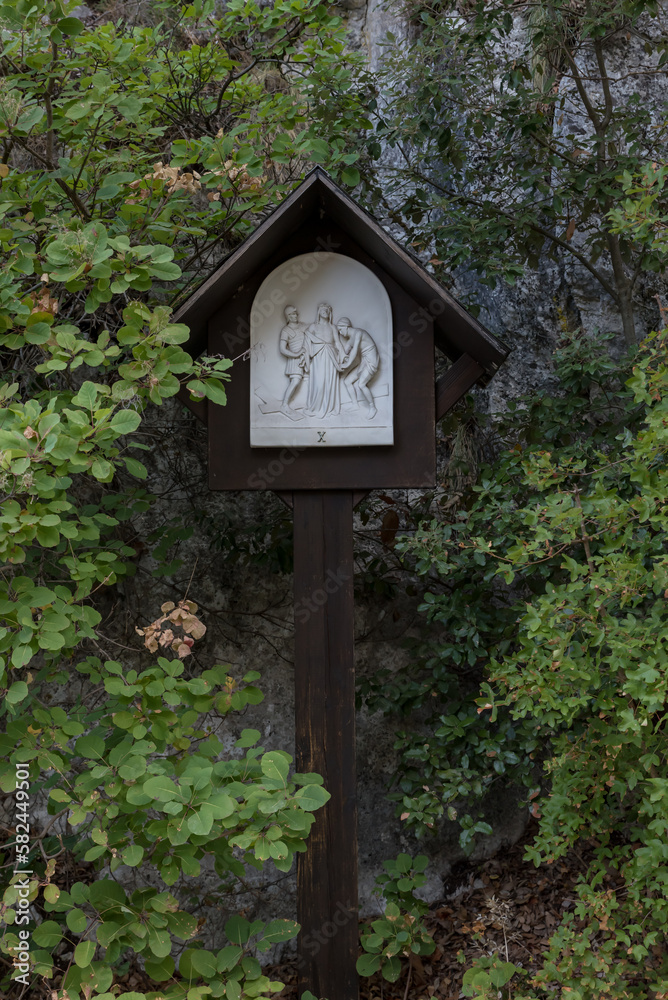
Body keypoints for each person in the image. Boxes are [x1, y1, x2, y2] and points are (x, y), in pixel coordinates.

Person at [303, 303, 342, 418]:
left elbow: (338, 343)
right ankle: (315, 407)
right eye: (323, 309)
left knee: (329, 382)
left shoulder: (332, 327)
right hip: (318, 356)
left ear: (330, 313)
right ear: (319, 312)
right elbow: (307, 343)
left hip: (331, 356)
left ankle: (328, 408)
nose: (325, 311)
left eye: (327, 310)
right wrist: (305, 358)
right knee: (319, 382)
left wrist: (343, 354)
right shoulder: (313, 327)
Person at [337, 317, 379, 419]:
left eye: (340, 330)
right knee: (347, 381)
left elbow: (354, 351)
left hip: (371, 362)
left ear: (346, 327)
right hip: (363, 362)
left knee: (361, 384)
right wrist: (337, 362)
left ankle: (372, 407)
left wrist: (346, 365)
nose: (340, 333)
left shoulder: (358, 333)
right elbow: (344, 353)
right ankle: (355, 405)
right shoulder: (351, 340)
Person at [279, 305, 308, 417]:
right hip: (295, 359)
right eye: (291, 314)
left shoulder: (303, 326)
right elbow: (282, 349)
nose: (294, 316)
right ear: (287, 317)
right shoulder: (286, 330)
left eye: (295, 313)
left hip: (307, 357)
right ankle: (284, 405)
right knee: (295, 381)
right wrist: (295, 354)